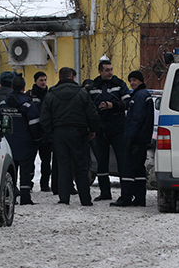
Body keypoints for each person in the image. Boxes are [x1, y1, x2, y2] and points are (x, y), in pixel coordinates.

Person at [40, 67, 101, 206]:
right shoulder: (82, 93)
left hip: (59, 132)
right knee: (81, 166)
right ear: (72, 77)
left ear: (60, 77)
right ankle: (85, 199)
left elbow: (44, 117)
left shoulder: (51, 94)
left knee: (63, 166)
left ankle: (64, 198)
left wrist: (52, 131)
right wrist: (92, 130)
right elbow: (92, 114)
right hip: (78, 132)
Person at [0, 76, 42, 205]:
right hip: (25, 143)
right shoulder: (28, 105)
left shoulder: (2, 104)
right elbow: (34, 126)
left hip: (7, 143)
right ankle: (25, 198)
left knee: (10, 172)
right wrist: (37, 139)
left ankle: (10, 198)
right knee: (25, 172)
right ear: (24, 88)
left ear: (11, 87)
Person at [111, 70, 154, 207]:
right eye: (130, 80)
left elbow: (136, 119)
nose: (132, 82)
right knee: (139, 170)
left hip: (136, 139)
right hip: (142, 139)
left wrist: (130, 139)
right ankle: (140, 198)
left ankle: (126, 197)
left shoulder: (139, 96)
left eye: (135, 80)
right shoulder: (143, 95)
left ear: (141, 81)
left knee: (128, 169)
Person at [89, 59, 130, 201]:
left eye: (111, 69)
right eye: (107, 70)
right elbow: (88, 107)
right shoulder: (93, 87)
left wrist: (112, 105)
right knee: (102, 162)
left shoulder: (119, 85)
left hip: (118, 127)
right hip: (101, 129)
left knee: (122, 161)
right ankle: (105, 192)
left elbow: (127, 103)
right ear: (100, 71)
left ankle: (125, 194)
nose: (110, 72)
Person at [26, 71, 54, 192]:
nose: (43, 83)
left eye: (45, 80)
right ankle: (28, 183)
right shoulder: (30, 95)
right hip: (32, 133)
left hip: (46, 133)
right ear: (35, 81)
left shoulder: (50, 94)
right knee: (30, 160)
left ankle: (44, 184)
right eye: (41, 80)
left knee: (46, 161)